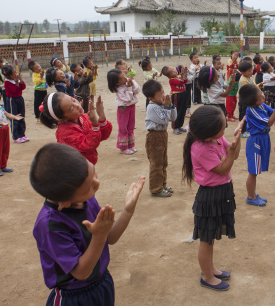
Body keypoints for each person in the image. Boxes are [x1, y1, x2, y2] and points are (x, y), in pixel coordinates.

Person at [30, 143, 145, 305]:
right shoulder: (50, 225)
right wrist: (98, 236)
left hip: (102, 284)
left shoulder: (85, 200)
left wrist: (128, 210)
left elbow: (110, 236)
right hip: (74, 297)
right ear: (65, 203)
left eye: (94, 173)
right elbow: (81, 272)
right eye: (89, 186)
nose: (97, 183)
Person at [182, 105, 243, 291]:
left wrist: (237, 140)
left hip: (221, 193)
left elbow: (235, 155)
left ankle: (211, 269)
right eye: (223, 127)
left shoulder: (216, 140)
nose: (225, 129)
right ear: (209, 133)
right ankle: (206, 277)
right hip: (210, 198)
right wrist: (231, 153)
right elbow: (224, 168)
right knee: (206, 239)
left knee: (211, 238)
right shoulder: (201, 148)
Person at [239, 83, 275, 206]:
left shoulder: (261, 105)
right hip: (256, 142)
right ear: (253, 102)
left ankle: (253, 195)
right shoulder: (252, 110)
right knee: (253, 171)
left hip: (263, 139)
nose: (263, 96)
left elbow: (272, 112)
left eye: (261, 93)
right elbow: (269, 122)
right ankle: (251, 197)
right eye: (260, 97)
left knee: (256, 171)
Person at [40, 92, 112, 165]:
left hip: (87, 165)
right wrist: (95, 124)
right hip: (75, 170)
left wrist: (102, 116)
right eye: (71, 108)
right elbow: (89, 145)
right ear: (63, 119)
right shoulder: (65, 133)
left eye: (73, 100)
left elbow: (101, 136)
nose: (77, 105)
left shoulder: (83, 117)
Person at [142, 80, 177, 197]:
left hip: (163, 134)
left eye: (163, 92)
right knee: (156, 163)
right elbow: (163, 120)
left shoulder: (161, 104)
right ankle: (156, 189)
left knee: (163, 162)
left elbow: (173, 118)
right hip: (155, 136)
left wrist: (171, 105)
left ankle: (162, 184)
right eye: (159, 95)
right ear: (151, 98)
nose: (163, 96)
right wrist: (166, 106)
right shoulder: (152, 107)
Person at [107, 68, 140, 155]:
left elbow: (137, 90)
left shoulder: (129, 81)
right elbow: (127, 99)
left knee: (131, 126)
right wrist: (129, 88)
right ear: (117, 83)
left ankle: (130, 145)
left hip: (132, 106)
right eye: (122, 78)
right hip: (123, 108)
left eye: (124, 75)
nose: (125, 78)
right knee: (123, 128)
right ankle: (123, 148)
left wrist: (132, 84)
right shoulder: (118, 89)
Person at [2, 64, 28, 143]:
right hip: (12, 100)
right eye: (13, 74)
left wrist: (21, 79)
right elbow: (15, 90)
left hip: (20, 99)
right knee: (14, 117)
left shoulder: (16, 79)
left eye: (15, 72)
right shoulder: (7, 82)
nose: (15, 74)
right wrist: (16, 82)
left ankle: (22, 134)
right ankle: (16, 136)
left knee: (22, 116)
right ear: (8, 76)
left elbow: (23, 87)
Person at [162, 65, 188, 135]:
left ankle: (180, 126)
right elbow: (180, 82)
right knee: (177, 111)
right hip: (177, 95)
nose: (174, 71)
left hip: (183, 94)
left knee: (183, 111)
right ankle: (175, 127)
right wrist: (183, 77)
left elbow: (185, 81)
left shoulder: (178, 77)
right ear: (169, 76)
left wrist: (184, 75)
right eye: (172, 72)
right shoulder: (172, 80)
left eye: (174, 69)